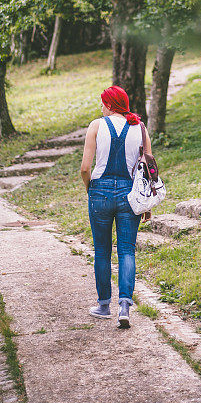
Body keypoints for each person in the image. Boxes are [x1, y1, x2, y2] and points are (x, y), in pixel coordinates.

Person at [80, 85, 152, 328]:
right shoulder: (140, 128)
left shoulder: (96, 126)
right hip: (129, 194)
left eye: (103, 103)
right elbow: (147, 171)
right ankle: (124, 306)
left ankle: (103, 305)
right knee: (127, 251)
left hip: (99, 191)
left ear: (109, 105)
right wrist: (145, 202)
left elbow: (84, 168)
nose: (101, 107)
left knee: (102, 251)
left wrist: (91, 190)